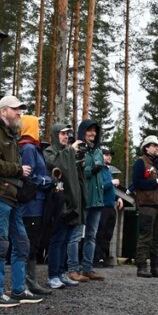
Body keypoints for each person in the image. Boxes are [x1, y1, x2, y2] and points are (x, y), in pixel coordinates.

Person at [0, 95, 44, 307]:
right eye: (16, 109)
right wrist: (18, 169)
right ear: (3, 110)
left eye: (20, 110)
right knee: (0, 242)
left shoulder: (10, 134)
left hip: (11, 195)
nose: (20, 113)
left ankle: (18, 290)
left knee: (22, 243)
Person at [44, 123, 86, 287]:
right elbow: (57, 165)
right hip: (58, 203)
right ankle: (53, 275)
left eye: (67, 134)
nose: (66, 137)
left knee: (66, 239)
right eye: (62, 134)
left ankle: (61, 273)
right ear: (55, 135)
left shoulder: (67, 152)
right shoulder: (49, 151)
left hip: (71, 203)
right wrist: (70, 151)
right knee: (57, 239)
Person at [18, 114, 54, 295]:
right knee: (28, 242)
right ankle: (25, 283)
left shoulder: (34, 148)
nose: (39, 130)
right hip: (31, 203)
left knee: (34, 242)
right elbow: (29, 176)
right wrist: (47, 181)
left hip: (37, 203)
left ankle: (31, 281)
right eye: (36, 126)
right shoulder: (29, 149)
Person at [131, 135, 158, 278]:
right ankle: (142, 266)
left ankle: (156, 267)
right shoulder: (140, 163)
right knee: (145, 236)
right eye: (154, 145)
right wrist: (156, 182)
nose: (157, 148)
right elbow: (137, 184)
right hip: (147, 205)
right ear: (147, 147)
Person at [77, 118, 106, 281]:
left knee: (91, 236)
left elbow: (100, 174)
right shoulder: (78, 149)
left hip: (97, 199)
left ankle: (87, 268)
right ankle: (73, 268)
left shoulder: (98, 151)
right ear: (83, 132)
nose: (92, 134)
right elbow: (77, 170)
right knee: (76, 235)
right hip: (83, 198)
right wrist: (90, 170)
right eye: (89, 130)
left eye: (95, 131)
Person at [92, 145, 121, 268]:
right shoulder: (98, 170)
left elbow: (110, 191)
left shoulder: (108, 171)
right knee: (100, 233)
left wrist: (118, 198)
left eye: (110, 155)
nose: (109, 157)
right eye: (106, 154)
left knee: (108, 234)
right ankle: (96, 259)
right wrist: (111, 183)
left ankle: (103, 258)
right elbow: (100, 187)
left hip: (110, 207)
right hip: (101, 207)